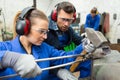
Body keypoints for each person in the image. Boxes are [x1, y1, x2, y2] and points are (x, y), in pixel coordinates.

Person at [0, 7, 94, 80]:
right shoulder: (6, 48)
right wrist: (10, 59)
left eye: (46, 32)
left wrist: (83, 47)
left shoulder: (45, 49)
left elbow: (64, 58)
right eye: (41, 31)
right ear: (25, 28)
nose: (45, 37)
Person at [45, 1, 92, 79]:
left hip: (63, 59)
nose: (66, 24)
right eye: (63, 19)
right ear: (55, 16)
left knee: (87, 62)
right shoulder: (45, 32)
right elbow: (42, 57)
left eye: (69, 20)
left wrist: (87, 42)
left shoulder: (68, 30)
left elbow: (78, 40)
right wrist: (57, 71)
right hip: (50, 66)